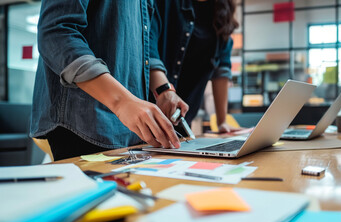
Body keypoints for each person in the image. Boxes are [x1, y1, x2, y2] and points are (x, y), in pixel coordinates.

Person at [30, 0, 181, 161]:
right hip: (82, 122)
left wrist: (164, 89)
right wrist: (121, 101)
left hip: (127, 129)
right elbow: (56, 32)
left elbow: (146, 45)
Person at [149, 0, 240, 133]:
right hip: (150, 111)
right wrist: (164, 91)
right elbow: (149, 49)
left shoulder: (222, 11)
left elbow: (222, 70)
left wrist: (222, 122)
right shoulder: (166, 3)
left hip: (183, 120)